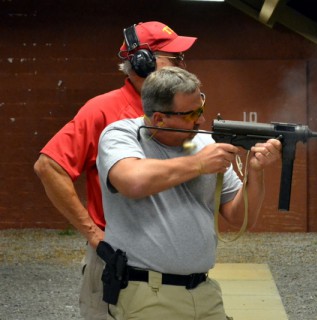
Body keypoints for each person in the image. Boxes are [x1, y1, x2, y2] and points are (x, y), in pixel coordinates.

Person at [33, 21, 197, 319]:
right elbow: (49, 166)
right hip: (118, 258)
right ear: (142, 62)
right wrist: (93, 234)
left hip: (169, 263)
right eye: (174, 59)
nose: (183, 66)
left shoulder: (180, 111)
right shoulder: (103, 110)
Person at [96, 66, 282, 319]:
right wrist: (198, 164)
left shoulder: (203, 143)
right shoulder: (121, 135)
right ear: (159, 118)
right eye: (191, 114)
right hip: (148, 294)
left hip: (204, 292)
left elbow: (240, 219)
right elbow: (132, 182)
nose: (201, 120)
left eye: (201, 108)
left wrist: (256, 173)